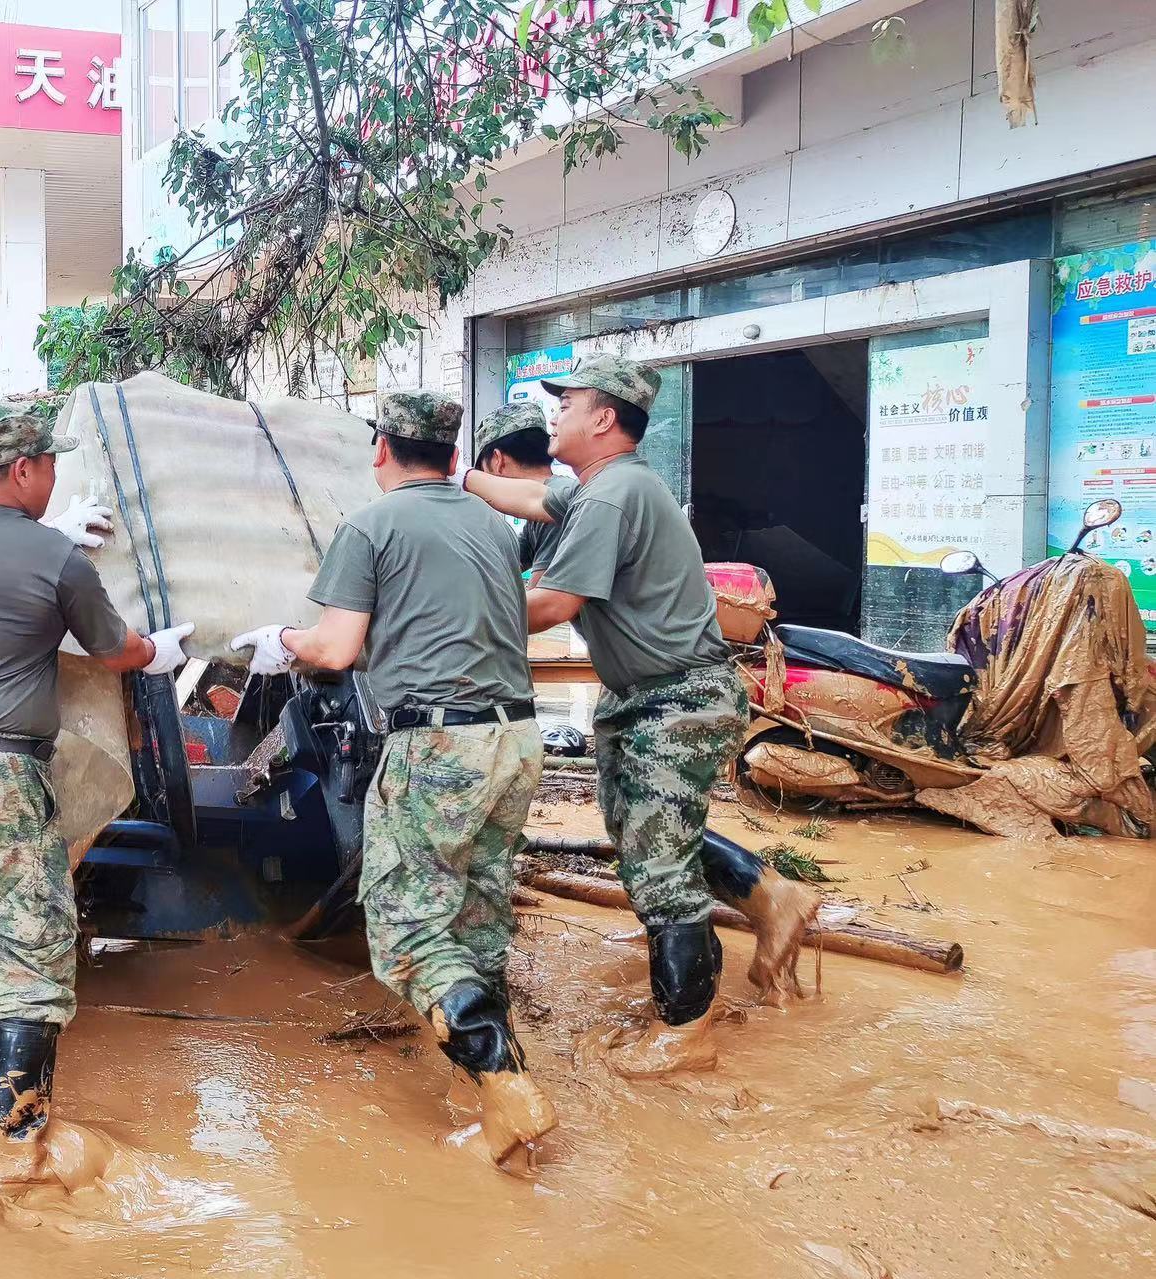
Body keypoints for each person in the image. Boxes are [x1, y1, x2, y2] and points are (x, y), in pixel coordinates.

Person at [459, 357, 819, 1077]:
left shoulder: (611, 497)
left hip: (675, 697)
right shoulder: (601, 487)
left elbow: (551, 606)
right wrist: (452, 476)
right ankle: (771, 895)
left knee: (656, 869)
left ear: (602, 419)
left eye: (566, 405)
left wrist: (438, 616)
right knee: (646, 835)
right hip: (647, 695)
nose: (551, 417)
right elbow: (525, 498)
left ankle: (685, 1034)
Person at [230, 391, 556, 1170]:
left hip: (438, 747)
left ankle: (506, 1087)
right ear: (451, 458)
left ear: (380, 449)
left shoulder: (371, 525)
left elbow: (335, 649)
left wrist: (281, 640)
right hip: (515, 737)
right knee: (476, 922)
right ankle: (485, 1104)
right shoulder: (486, 522)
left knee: (407, 933)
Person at [0, 400, 192, 1192]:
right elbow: (113, 649)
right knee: (31, 960)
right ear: (24, 470)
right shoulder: (54, 562)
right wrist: (159, 649)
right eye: (47, 465)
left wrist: (50, 535)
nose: (53, 476)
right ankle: (15, 1155)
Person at [471, 403, 561, 575]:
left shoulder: (554, 507)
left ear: (498, 460)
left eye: (482, 470)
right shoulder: (541, 504)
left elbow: (542, 598)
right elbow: (511, 563)